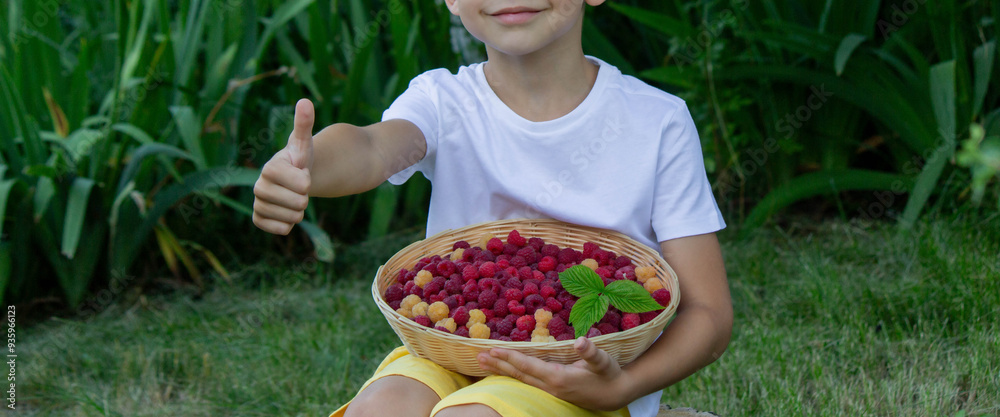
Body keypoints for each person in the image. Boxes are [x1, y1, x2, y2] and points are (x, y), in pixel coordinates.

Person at [251, 0, 733, 416]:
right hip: (449, 352)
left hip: (581, 380)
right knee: (381, 407)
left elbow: (708, 314)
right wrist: (311, 164)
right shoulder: (441, 102)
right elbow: (374, 148)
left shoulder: (657, 121)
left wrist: (622, 387)